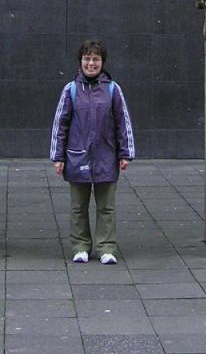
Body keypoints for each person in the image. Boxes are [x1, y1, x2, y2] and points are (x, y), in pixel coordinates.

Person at [49, 40, 135, 265]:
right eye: (87, 58)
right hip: (77, 156)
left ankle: (106, 247)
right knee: (78, 207)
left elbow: (122, 122)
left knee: (106, 207)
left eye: (96, 59)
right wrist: (58, 157)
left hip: (106, 156)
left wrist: (125, 153)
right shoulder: (71, 90)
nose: (91, 63)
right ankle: (80, 246)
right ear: (80, 61)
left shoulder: (113, 89)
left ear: (102, 62)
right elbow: (61, 125)